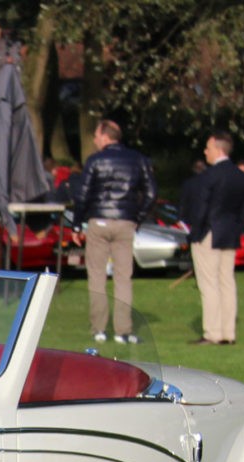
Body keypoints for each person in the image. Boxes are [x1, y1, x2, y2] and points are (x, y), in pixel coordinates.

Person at [74, 119, 157, 345]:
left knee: (97, 276)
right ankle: (123, 330)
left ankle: (99, 328)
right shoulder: (138, 159)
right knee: (123, 277)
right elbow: (151, 192)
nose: (94, 140)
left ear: (105, 136)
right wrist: (137, 217)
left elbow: (82, 194)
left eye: (96, 136)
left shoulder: (95, 160)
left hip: (99, 220)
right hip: (125, 221)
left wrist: (77, 224)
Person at [185, 132, 244, 345]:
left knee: (209, 283)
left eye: (208, 147)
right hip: (230, 233)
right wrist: (237, 228)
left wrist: (197, 231)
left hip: (209, 232)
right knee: (227, 281)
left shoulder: (209, 176)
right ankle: (228, 332)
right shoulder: (241, 176)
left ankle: (212, 332)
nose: (205, 151)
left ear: (218, 149)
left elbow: (201, 206)